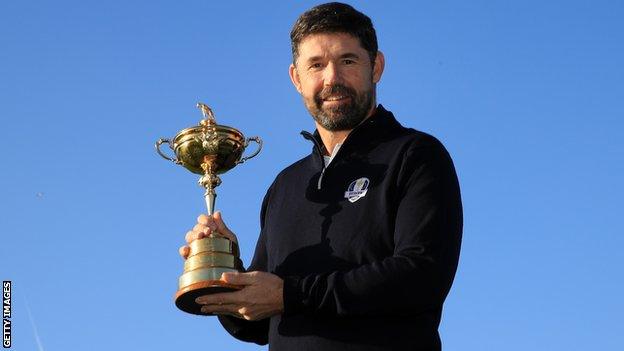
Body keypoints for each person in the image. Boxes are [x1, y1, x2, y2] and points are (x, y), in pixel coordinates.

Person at [179, 2, 463, 350]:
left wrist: (290, 295)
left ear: (376, 67)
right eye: (316, 65)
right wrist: (226, 268)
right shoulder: (286, 185)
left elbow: (421, 277)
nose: (332, 78)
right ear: (296, 78)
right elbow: (257, 326)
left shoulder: (415, 155)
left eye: (347, 61)